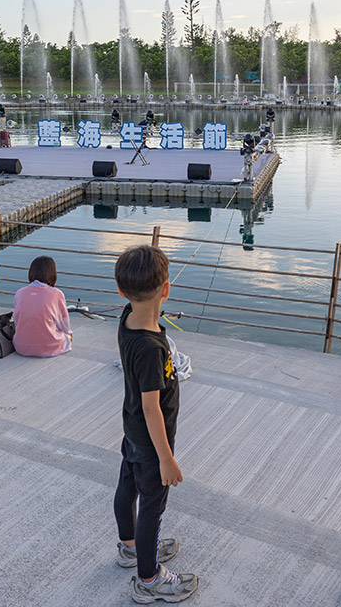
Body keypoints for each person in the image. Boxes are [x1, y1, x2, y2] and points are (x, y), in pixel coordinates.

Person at [112, 245, 198, 604]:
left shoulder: (127, 319)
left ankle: (130, 547)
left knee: (126, 490)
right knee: (152, 506)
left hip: (132, 434)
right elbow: (152, 408)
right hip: (150, 443)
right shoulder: (150, 348)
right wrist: (166, 457)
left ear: (122, 292)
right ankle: (148, 579)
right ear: (166, 289)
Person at [12, 256, 72, 358]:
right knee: (66, 336)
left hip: (21, 347)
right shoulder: (56, 294)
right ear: (52, 273)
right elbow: (64, 325)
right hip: (49, 347)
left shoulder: (20, 292)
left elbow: (16, 321)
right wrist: (68, 334)